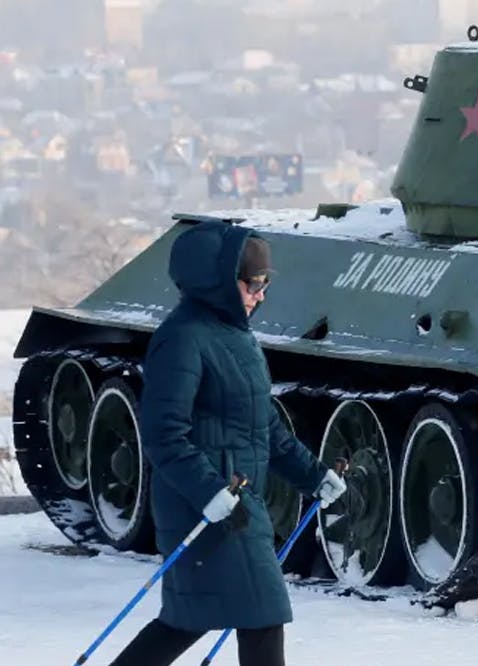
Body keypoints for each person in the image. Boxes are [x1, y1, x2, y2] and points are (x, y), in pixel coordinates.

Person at [108, 221, 347, 666]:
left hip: (237, 503)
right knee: (260, 614)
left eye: (265, 283)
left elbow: (264, 428)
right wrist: (208, 492)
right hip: (206, 508)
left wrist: (314, 476)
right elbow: (163, 435)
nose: (261, 294)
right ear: (217, 281)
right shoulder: (181, 338)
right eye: (254, 283)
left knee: (192, 617)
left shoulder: (238, 338)